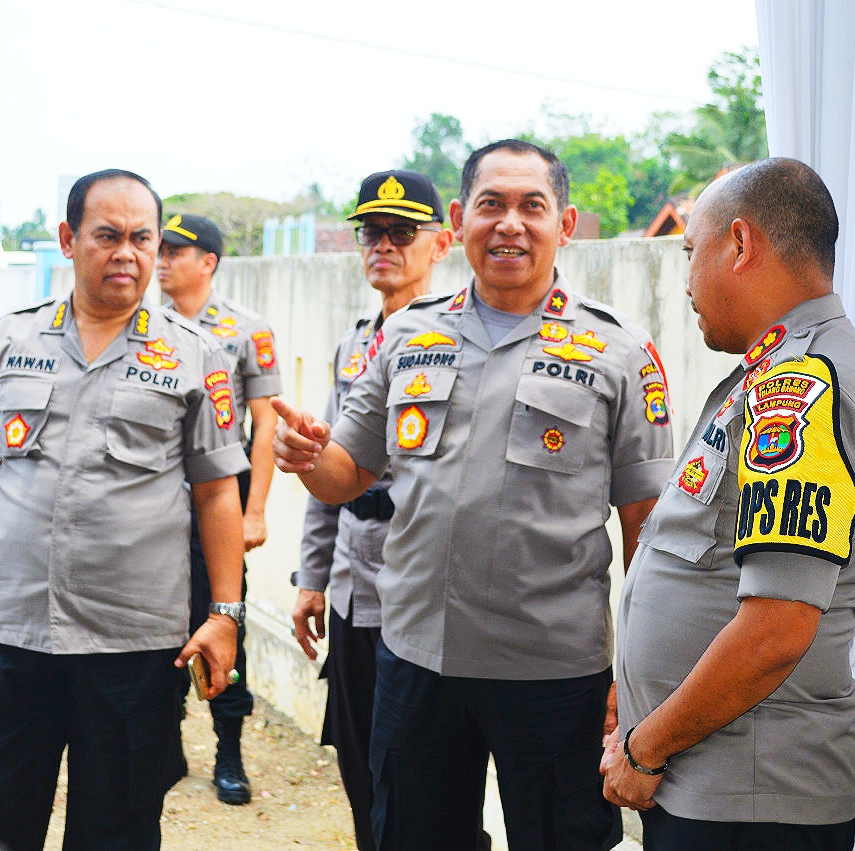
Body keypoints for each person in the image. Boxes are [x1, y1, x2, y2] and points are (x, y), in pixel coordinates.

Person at [274, 140, 676, 850]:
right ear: (460, 220)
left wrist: (636, 675)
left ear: (567, 223)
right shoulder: (405, 336)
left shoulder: (620, 351)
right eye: (491, 205)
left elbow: (646, 531)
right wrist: (309, 458)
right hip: (417, 659)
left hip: (554, 673)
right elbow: (347, 472)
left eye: (532, 206)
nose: (510, 224)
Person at [0, 169, 249, 849]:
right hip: (14, 633)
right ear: (68, 239)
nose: (127, 253)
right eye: (108, 236)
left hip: (134, 645)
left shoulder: (195, 354)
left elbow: (216, 489)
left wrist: (225, 614)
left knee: (117, 828)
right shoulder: (11, 339)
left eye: (142, 238)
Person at [601, 158, 855, 850]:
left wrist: (646, 747)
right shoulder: (775, 370)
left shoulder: (804, 382)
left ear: (739, 244)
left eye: (689, 251)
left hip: (750, 802)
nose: (684, 281)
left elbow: (776, 628)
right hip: (720, 785)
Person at [292, 169, 452, 849]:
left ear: (439, 243)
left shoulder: (455, 337)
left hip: (424, 594)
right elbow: (331, 467)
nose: (382, 245)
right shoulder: (355, 344)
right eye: (371, 233)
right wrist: (311, 576)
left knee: (425, 781)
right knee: (361, 769)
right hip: (358, 590)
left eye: (401, 232)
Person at [157, 212, 282, 805]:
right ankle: (165, 746)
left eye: (174, 252)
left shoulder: (243, 329)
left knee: (223, 618)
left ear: (207, 261)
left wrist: (253, 510)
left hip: (217, 505)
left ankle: (227, 750)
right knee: (155, 629)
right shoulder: (141, 322)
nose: (159, 260)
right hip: (153, 507)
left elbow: (265, 424)